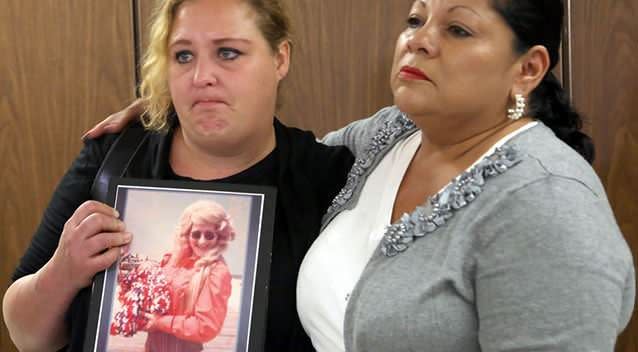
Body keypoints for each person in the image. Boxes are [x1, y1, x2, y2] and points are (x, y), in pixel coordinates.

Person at [86, 0, 635, 351]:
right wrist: (177, 104)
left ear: (528, 69)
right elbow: (267, 151)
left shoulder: (550, 206)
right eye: (416, 19)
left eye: (459, 28)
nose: (418, 39)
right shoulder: (389, 136)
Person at [2, 0, 353, 351]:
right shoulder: (115, 154)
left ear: (280, 58)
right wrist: (64, 272)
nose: (202, 77)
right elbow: (25, 336)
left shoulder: (329, 177)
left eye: (228, 53)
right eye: (183, 56)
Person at [141, 200, 235, 351]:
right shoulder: (171, 260)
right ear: (187, 234)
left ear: (220, 237)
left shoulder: (217, 272)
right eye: (196, 234)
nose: (202, 241)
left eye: (209, 235)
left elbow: (205, 327)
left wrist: (160, 323)